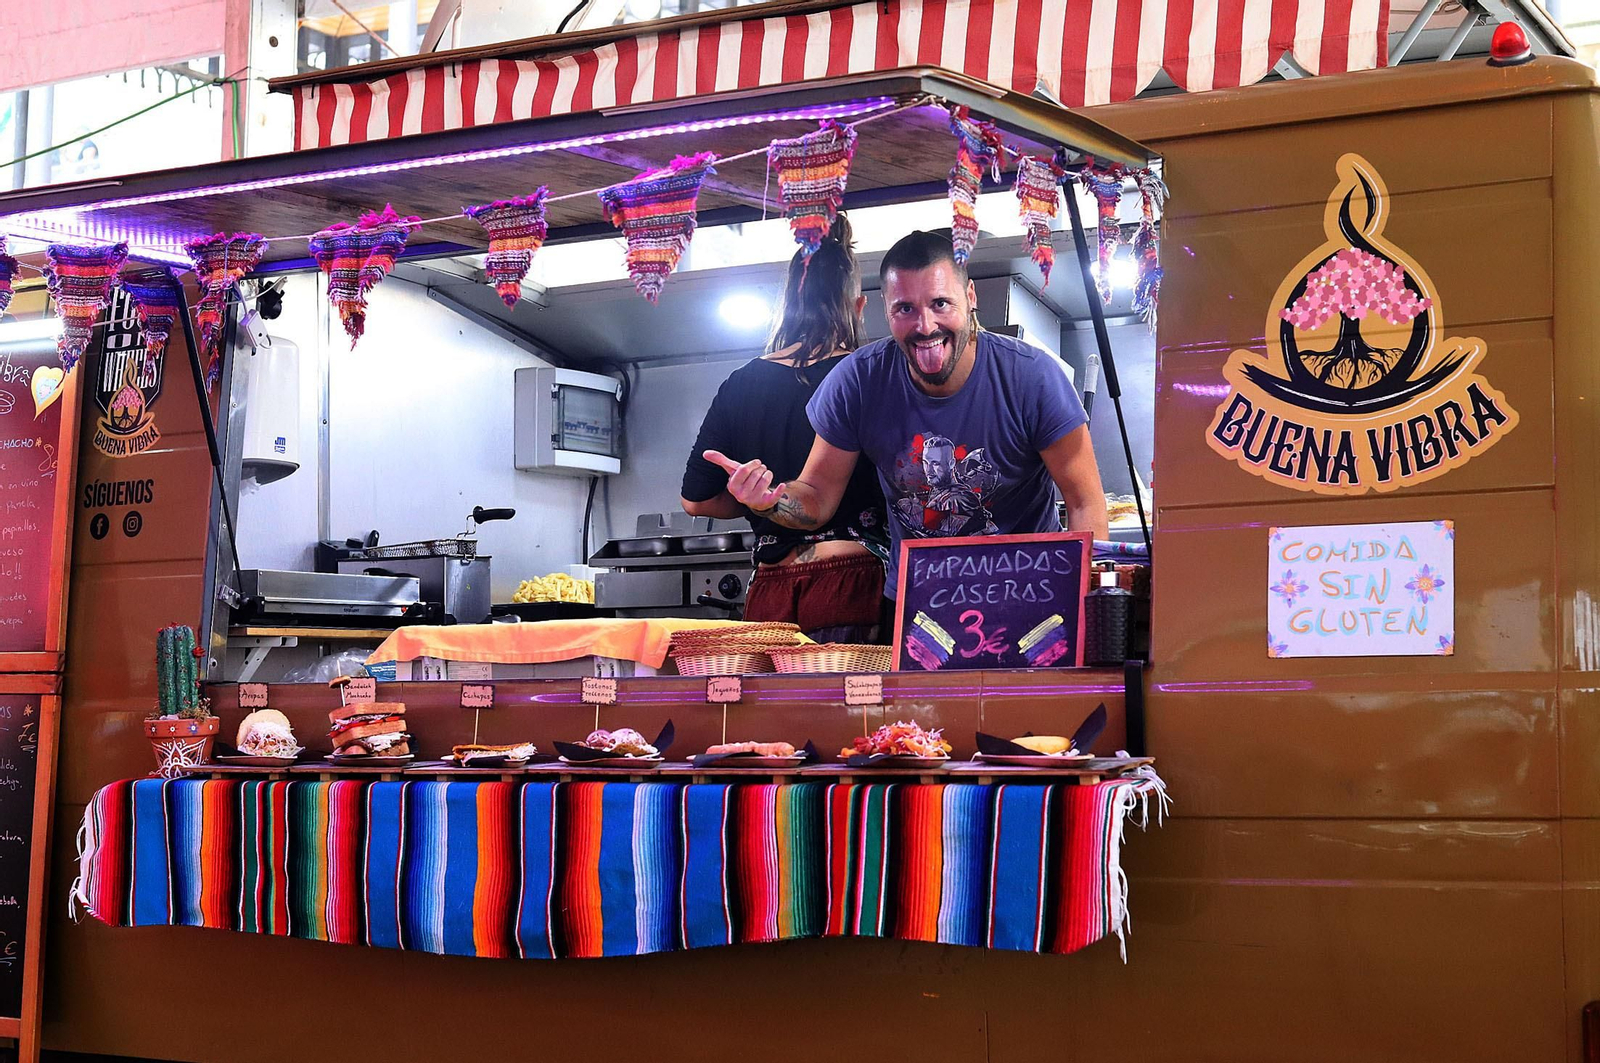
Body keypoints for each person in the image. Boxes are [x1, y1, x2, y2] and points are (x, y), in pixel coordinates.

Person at [706, 229, 1108, 605]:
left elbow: (1085, 501)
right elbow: (817, 497)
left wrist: (1082, 599)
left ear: (970, 296)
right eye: (905, 309)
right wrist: (768, 501)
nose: (925, 325)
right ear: (884, 308)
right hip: (918, 606)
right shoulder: (858, 381)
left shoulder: (1032, 377)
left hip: (1026, 596)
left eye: (940, 303)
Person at [680, 214, 890, 642]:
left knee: (776, 710)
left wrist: (761, 501)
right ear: (859, 306)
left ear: (788, 304)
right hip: (850, 578)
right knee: (859, 709)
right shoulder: (868, 373)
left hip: (770, 587)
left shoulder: (742, 382)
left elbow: (696, 500)